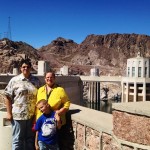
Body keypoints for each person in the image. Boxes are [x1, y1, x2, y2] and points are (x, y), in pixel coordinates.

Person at [4, 59, 40, 150]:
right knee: (17, 139)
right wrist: (9, 113)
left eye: (28, 67)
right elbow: (7, 96)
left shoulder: (36, 81)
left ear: (30, 68)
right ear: (20, 68)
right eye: (24, 67)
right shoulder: (14, 80)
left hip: (31, 116)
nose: (26, 68)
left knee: (30, 139)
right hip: (18, 116)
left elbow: (40, 96)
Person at [36, 71, 70, 148]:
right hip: (42, 122)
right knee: (42, 143)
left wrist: (60, 112)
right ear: (45, 79)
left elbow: (67, 103)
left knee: (56, 144)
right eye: (47, 77)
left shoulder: (60, 90)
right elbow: (37, 105)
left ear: (54, 78)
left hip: (56, 123)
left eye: (51, 77)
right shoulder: (40, 90)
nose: (49, 79)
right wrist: (36, 119)